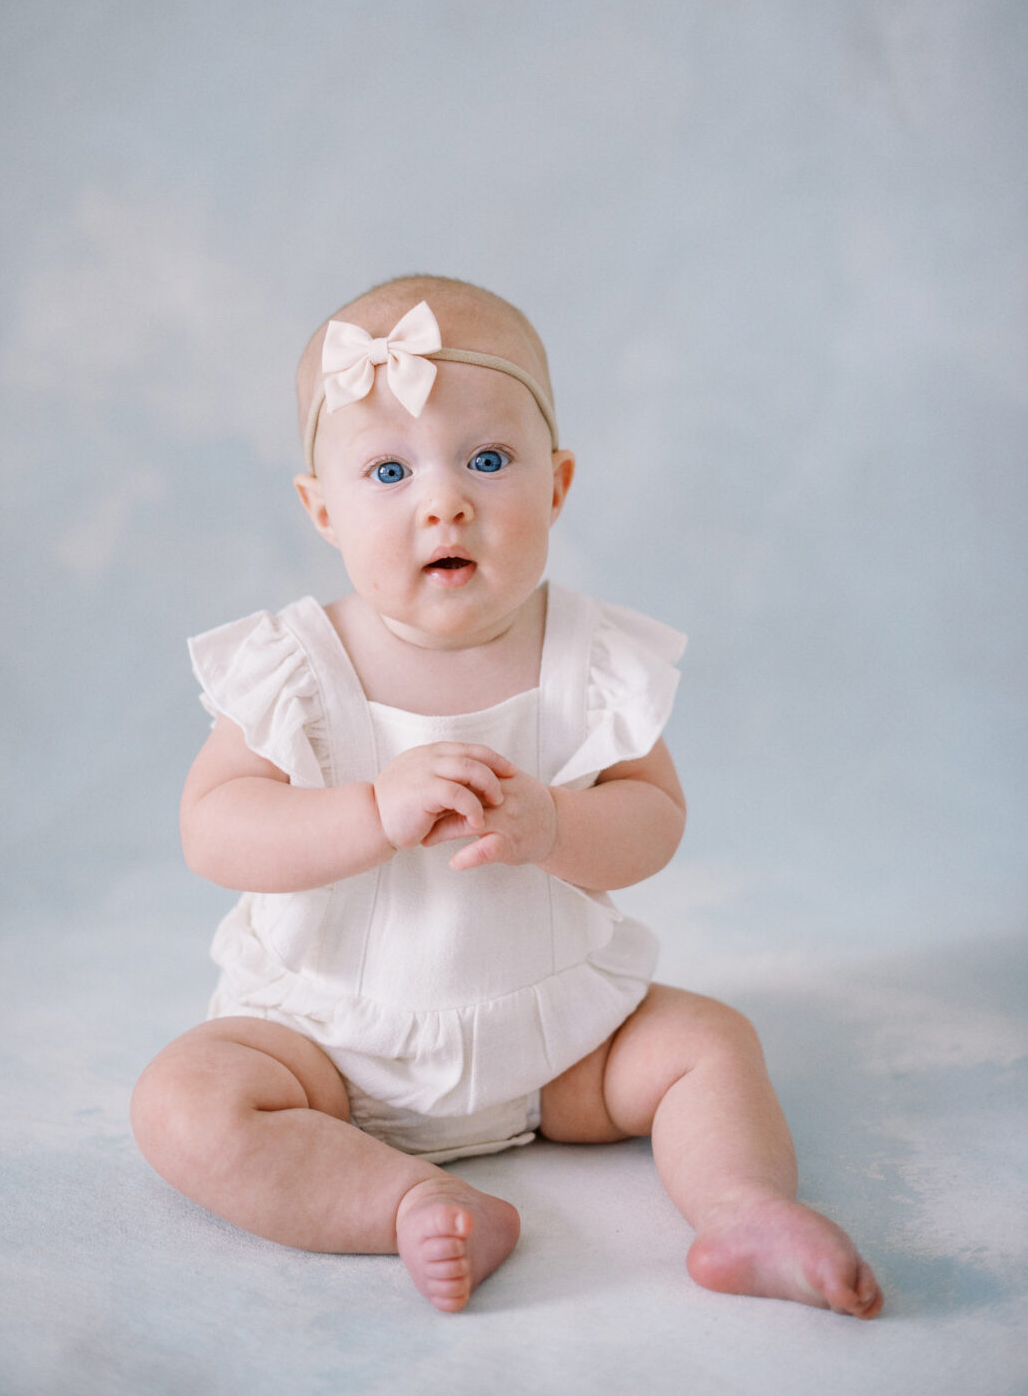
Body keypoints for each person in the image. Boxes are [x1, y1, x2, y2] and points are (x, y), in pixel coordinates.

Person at [131, 274, 883, 1318]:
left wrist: (560, 824)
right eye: (388, 470)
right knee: (186, 1103)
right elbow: (213, 826)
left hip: (561, 1039)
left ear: (559, 483)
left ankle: (743, 1208)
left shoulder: (592, 656)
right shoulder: (296, 666)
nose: (444, 499)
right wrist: (366, 813)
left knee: (708, 1042)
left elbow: (656, 819)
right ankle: (409, 1199)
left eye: (488, 459)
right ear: (322, 509)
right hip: (328, 1054)